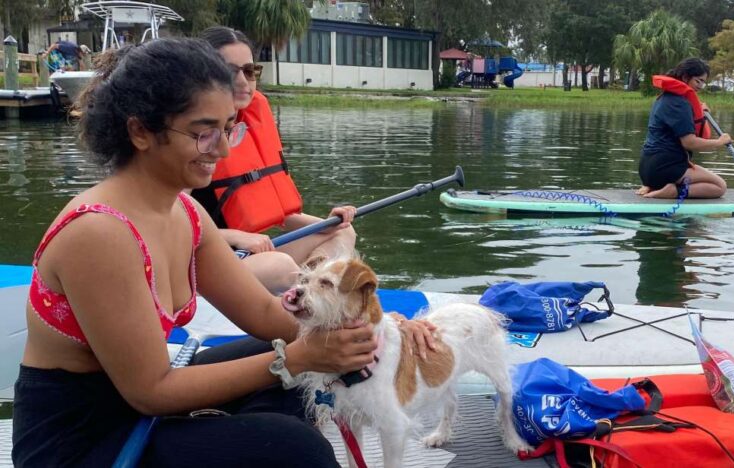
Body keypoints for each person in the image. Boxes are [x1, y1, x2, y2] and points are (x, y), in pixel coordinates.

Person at [12, 38, 435, 467]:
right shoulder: (99, 234)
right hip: (82, 440)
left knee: (285, 381)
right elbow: (150, 392)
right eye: (203, 133)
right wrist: (297, 358)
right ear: (140, 131)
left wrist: (377, 324)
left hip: (134, 406)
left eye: (229, 126)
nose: (224, 149)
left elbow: (270, 318)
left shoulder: (185, 211)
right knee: (297, 446)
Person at [192, 26, 356, 294]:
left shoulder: (248, 125)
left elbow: (274, 211)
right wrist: (236, 236)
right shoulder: (190, 136)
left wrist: (328, 223)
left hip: (245, 255)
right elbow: (168, 227)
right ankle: (311, 294)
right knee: (280, 266)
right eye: (230, 72)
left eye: (249, 71)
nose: (244, 82)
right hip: (201, 260)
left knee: (342, 232)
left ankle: (313, 294)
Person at [637, 57, 731, 199]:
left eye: (703, 82)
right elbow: (689, 142)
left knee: (708, 180)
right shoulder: (680, 103)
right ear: (685, 77)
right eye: (697, 80)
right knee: (719, 187)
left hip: (647, 169)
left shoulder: (665, 98)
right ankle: (673, 191)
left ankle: (656, 185)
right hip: (665, 168)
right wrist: (719, 142)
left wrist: (699, 111)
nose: (700, 86)